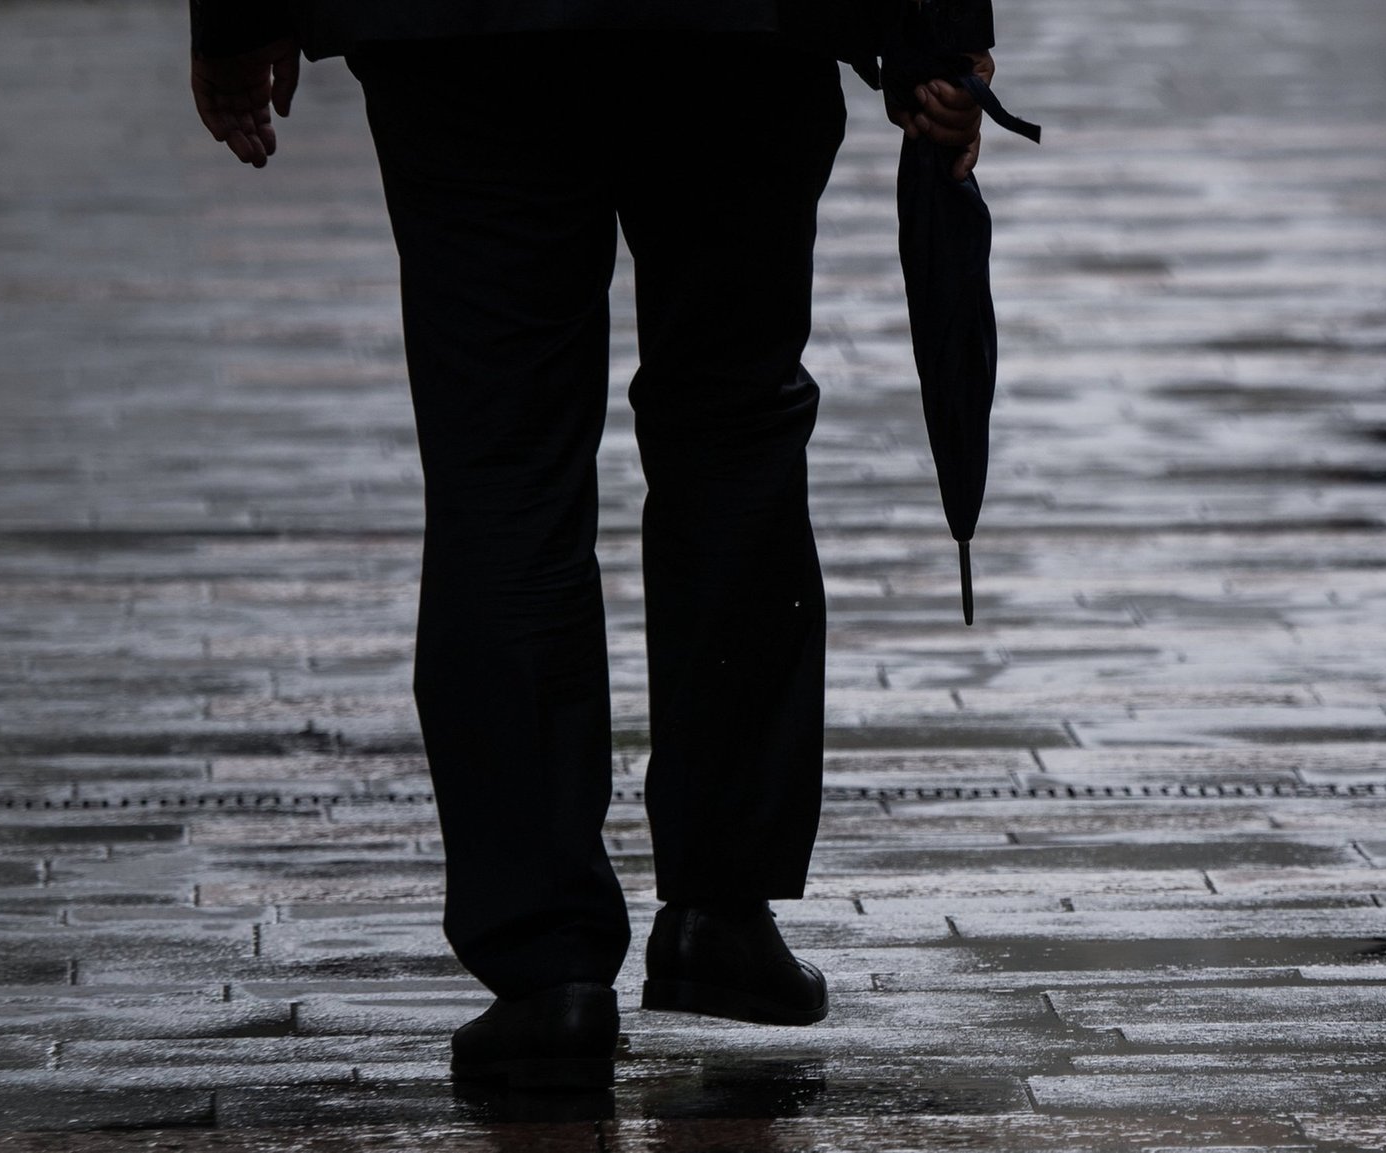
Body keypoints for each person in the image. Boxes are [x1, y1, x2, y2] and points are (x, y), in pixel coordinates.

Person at [188, 0, 998, 1092]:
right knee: (734, 430)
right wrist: (934, 27)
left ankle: (545, 962)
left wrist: (237, 16)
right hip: (738, 34)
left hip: (462, 41)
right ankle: (721, 904)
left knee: (502, 465)